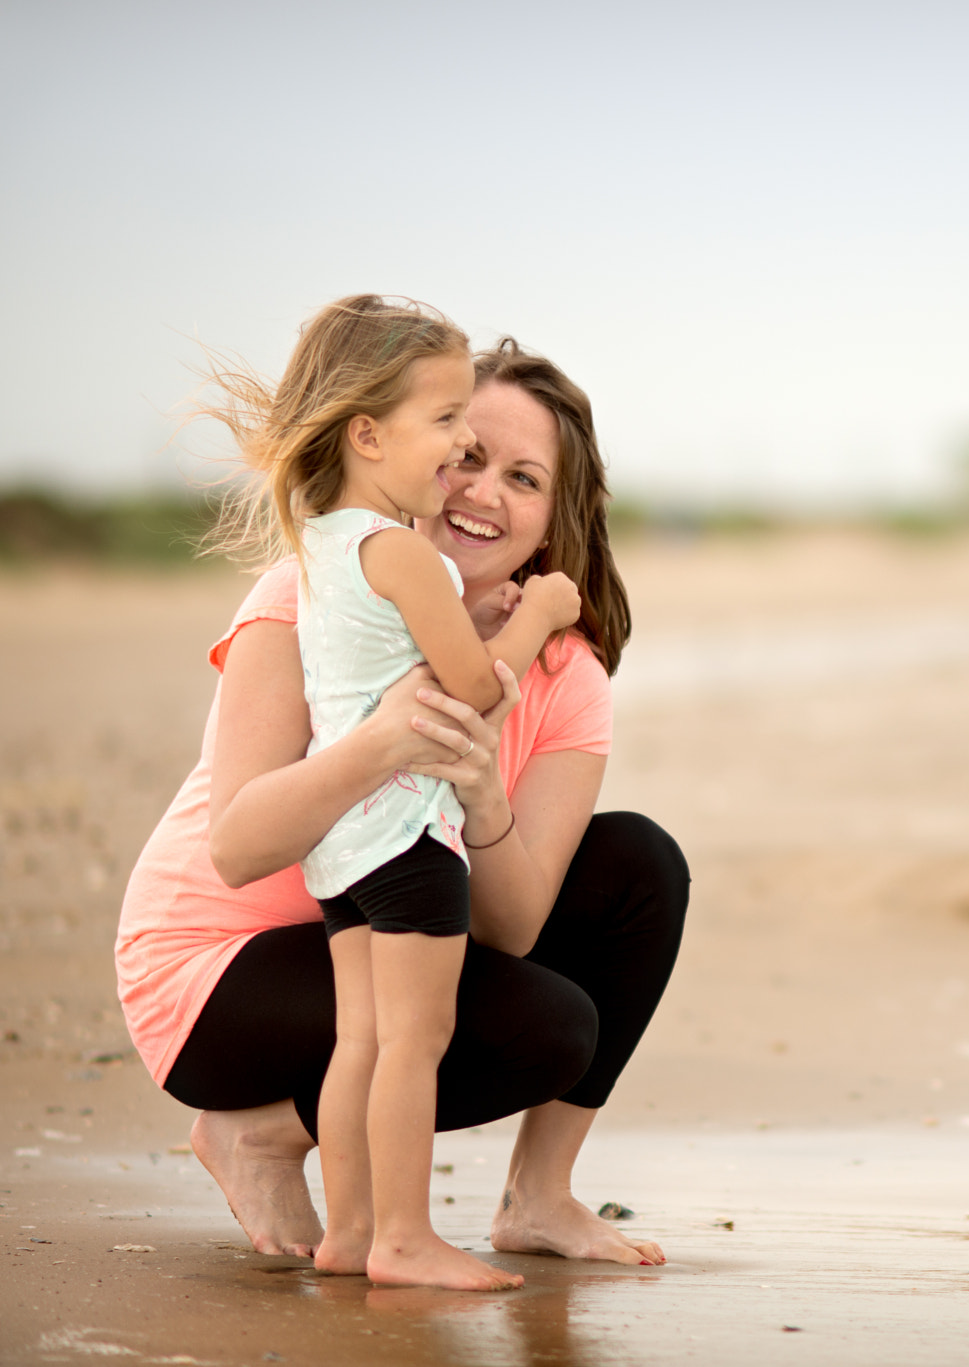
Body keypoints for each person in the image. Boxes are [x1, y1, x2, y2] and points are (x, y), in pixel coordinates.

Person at [115, 326, 686, 1276]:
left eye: (524, 477)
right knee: (541, 1024)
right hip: (219, 976)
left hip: (385, 929)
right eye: (465, 451)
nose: (481, 489)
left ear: (556, 519)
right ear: (411, 450)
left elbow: (510, 922)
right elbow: (238, 846)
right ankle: (261, 1135)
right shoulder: (307, 595)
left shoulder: (562, 671)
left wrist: (477, 781)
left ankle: (538, 1197)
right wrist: (385, 739)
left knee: (638, 863)